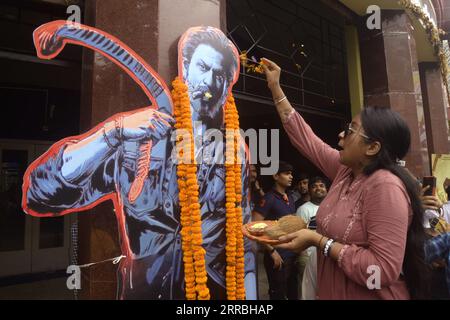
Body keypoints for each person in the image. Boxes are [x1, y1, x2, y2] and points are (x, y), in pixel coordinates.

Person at [23, 23, 256, 299]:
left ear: (227, 87)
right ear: (185, 65)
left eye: (220, 75)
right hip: (145, 290)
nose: (209, 82)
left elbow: (242, 237)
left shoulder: (233, 149)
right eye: (203, 67)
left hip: (217, 290)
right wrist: (114, 132)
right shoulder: (137, 137)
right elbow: (40, 193)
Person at [261, 58, 429, 299]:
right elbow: (307, 140)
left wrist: (320, 242)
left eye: (350, 130)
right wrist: (275, 87)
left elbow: (380, 271)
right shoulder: (345, 171)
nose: (341, 135)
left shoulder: (385, 187)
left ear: (372, 148)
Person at [253, 161, 299, 300]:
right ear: (275, 176)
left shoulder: (289, 197)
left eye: (291, 174)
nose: (291, 177)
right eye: (286, 173)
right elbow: (255, 225)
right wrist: (272, 251)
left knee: (293, 292)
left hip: (292, 253)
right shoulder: (268, 198)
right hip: (277, 256)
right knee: (277, 293)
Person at [296, 176, 328, 299]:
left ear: (327, 189)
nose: (318, 188)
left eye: (321, 185)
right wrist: (303, 256)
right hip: (309, 256)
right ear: (309, 191)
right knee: (309, 292)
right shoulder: (303, 209)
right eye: (314, 186)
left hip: (328, 257)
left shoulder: (333, 207)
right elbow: (299, 233)